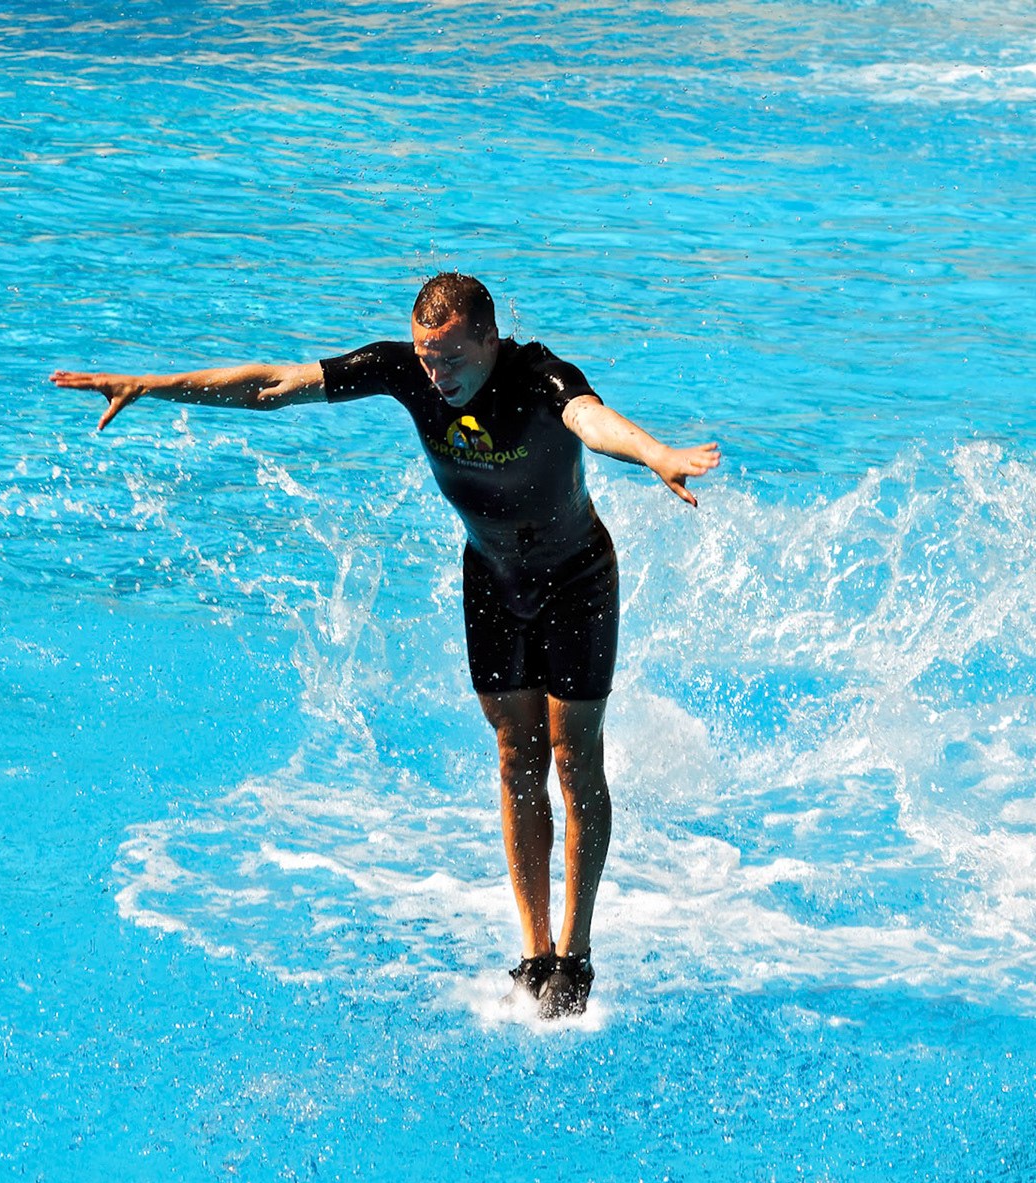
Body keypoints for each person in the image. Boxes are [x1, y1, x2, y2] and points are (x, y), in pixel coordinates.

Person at [51, 273, 719, 1018]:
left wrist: (656, 453)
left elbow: (592, 421)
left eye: (455, 360)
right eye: (429, 360)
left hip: (576, 580)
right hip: (493, 580)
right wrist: (152, 385)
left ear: (491, 340)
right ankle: (535, 954)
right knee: (513, 755)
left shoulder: (540, 376)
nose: (439, 377)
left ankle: (578, 953)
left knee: (572, 757)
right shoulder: (408, 370)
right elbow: (274, 384)